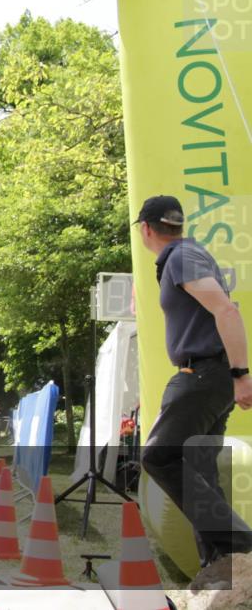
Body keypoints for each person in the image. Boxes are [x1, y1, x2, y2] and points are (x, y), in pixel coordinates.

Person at [134, 195, 252, 573]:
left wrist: (240, 374)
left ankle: (244, 546)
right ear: (178, 225)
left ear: (146, 228)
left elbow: (226, 309)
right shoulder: (185, 257)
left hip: (204, 374)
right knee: (199, 470)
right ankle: (223, 567)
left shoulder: (182, 258)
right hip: (212, 375)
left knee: (158, 456)